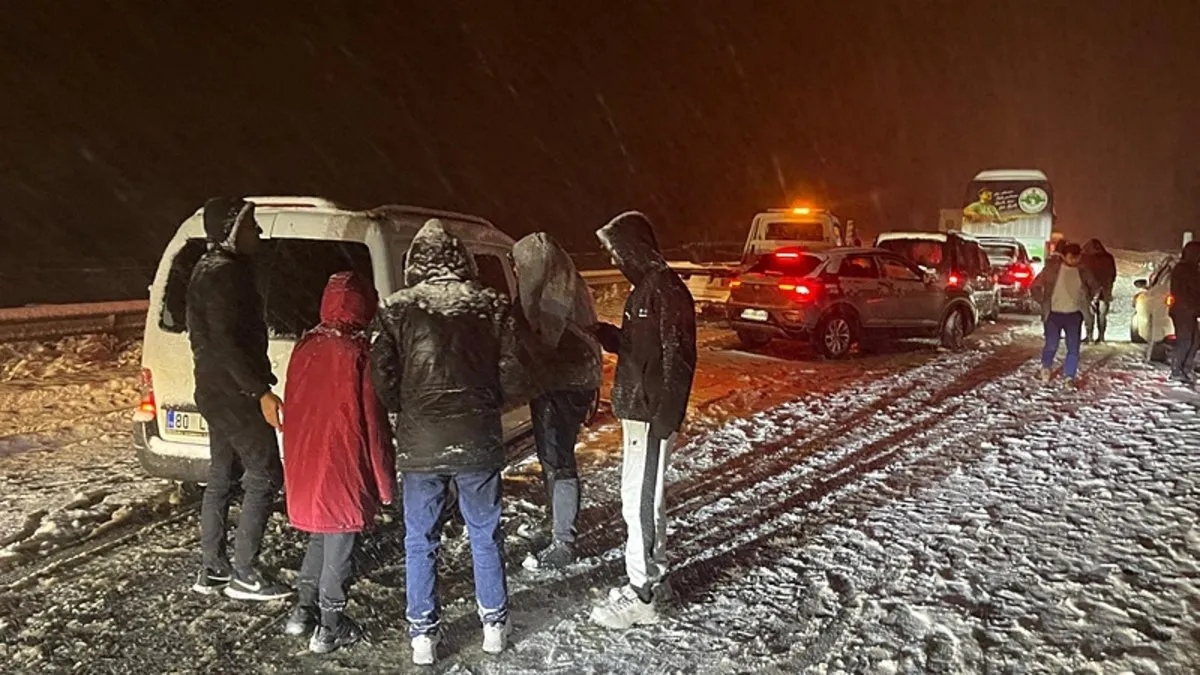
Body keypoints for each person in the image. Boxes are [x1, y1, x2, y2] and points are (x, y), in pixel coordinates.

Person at [370, 220, 527, 666]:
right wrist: (486, 402)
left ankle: (423, 635)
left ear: (415, 264)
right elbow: (514, 373)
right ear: (463, 260)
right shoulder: (491, 307)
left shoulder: (395, 310)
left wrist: (410, 406)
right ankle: (494, 625)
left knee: (420, 539)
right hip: (476, 440)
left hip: (421, 443)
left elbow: (380, 375)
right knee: (485, 533)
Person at [589, 211, 697, 630]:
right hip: (638, 411)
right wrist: (604, 333)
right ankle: (655, 578)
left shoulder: (667, 292)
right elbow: (639, 350)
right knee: (640, 499)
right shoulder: (645, 292)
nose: (615, 259)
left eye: (617, 251)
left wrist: (667, 417)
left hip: (651, 416)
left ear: (634, 248)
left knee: (639, 503)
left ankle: (643, 594)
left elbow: (680, 358)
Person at [281, 272, 395, 654]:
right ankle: (329, 626)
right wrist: (384, 482)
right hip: (343, 467)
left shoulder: (305, 347)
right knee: (340, 546)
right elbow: (373, 424)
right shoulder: (359, 353)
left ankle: (301, 611)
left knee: (320, 536)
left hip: (307, 466)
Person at [186, 196, 290, 600]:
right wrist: (260, 391)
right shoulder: (226, 275)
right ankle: (245, 573)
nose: (258, 233)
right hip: (234, 394)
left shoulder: (205, 268)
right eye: (251, 226)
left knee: (222, 476)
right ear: (231, 230)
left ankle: (212, 568)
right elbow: (228, 343)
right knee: (265, 475)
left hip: (214, 390)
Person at [511, 232, 604, 571]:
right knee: (553, 457)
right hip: (567, 384)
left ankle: (564, 540)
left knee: (558, 457)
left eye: (521, 266)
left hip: (562, 386)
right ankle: (559, 525)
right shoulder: (568, 285)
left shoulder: (553, 303)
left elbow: (540, 340)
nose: (519, 273)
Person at [1030, 241, 1099, 387]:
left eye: (1077, 257)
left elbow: (1094, 286)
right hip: (1053, 314)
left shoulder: (1083, 271)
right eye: (1071, 257)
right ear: (1063, 256)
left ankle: (1069, 376)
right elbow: (1035, 286)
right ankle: (1046, 368)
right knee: (1051, 345)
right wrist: (1042, 301)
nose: (1074, 260)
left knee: (1073, 348)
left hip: (1074, 315)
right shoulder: (1052, 270)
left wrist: (1086, 299)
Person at [1168, 241, 1200, 383]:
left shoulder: (1188, 268)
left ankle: (1185, 369)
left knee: (1194, 341)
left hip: (1188, 310)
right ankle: (1176, 370)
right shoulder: (1185, 269)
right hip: (1184, 311)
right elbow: (1194, 290)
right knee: (1185, 341)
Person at [1081, 239, 1117, 343]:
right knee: (1102, 315)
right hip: (1105, 290)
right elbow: (1113, 274)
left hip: (1090, 290)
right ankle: (1101, 337)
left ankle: (1089, 335)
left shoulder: (1086, 258)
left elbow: (1083, 274)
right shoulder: (1108, 258)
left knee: (1089, 314)